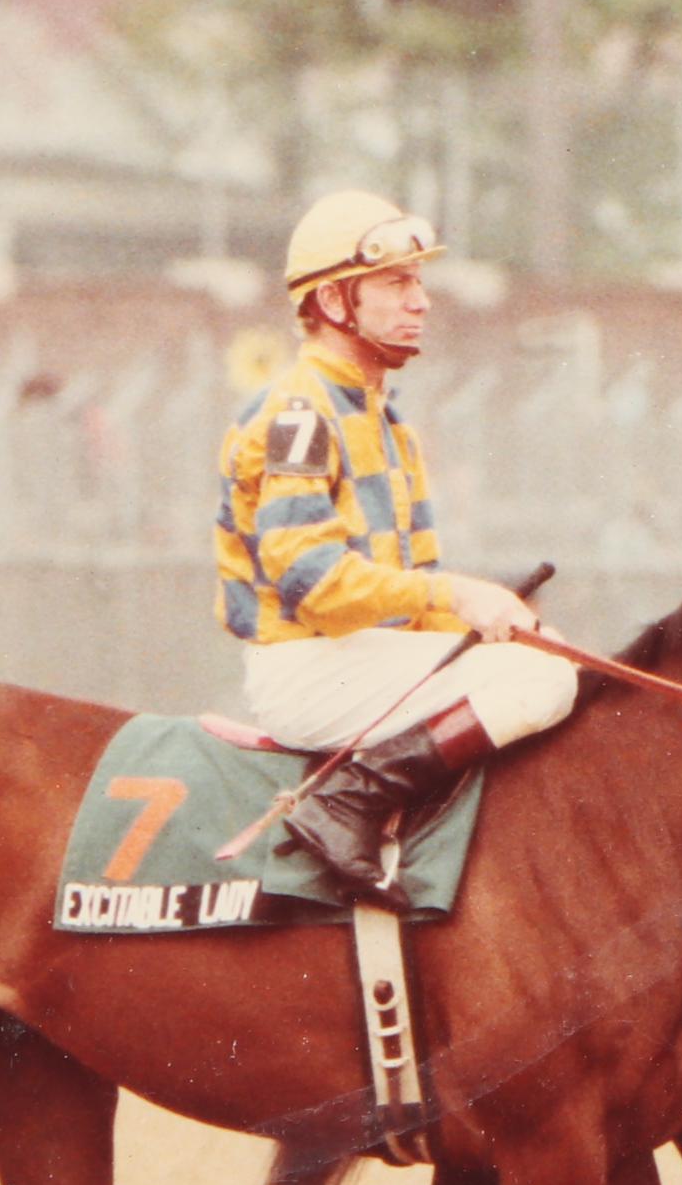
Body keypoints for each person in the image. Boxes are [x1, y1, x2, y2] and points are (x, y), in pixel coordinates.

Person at [215, 190, 577, 909]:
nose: (421, 302)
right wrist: (460, 596)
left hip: (358, 659)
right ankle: (346, 800)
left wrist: (485, 618)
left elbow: (400, 588)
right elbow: (313, 582)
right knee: (542, 684)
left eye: (419, 283)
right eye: (396, 284)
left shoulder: (387, 421)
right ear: (334, 304)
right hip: (309, 666)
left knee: (550, 659)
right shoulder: (299, 414)